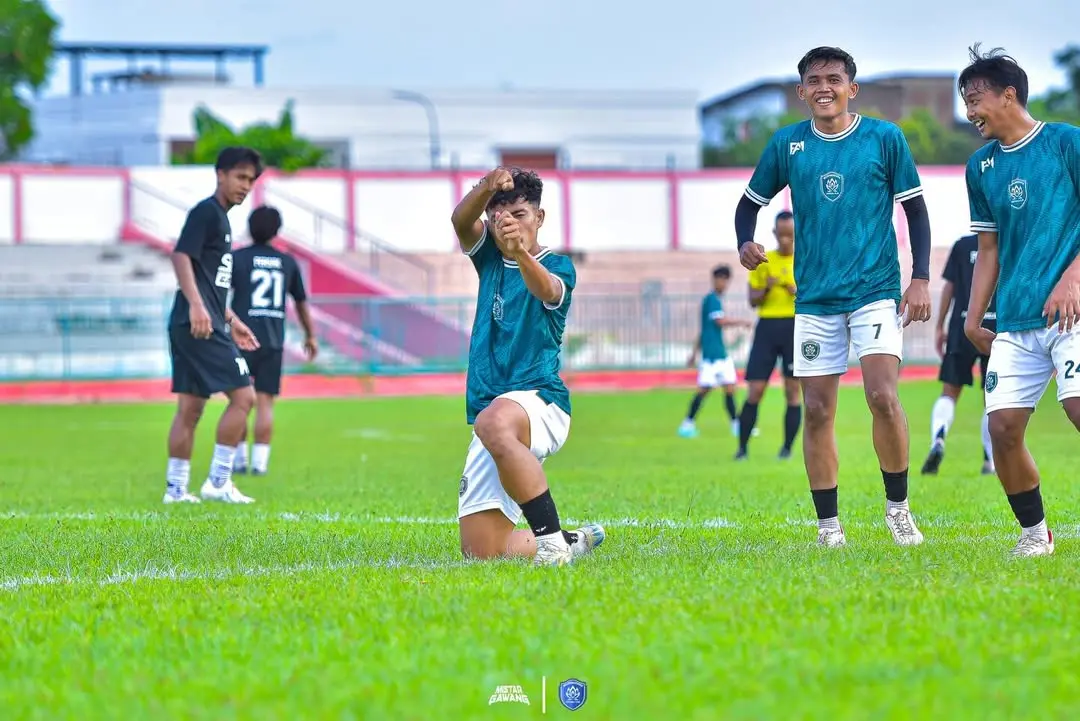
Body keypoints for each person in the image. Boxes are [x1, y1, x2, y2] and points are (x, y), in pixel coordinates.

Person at [734, 46, 933, 548]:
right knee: (818, 410)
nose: (824, 87)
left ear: (852, 87)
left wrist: (922, 277)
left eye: (834, 79)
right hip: (816, 300)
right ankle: (829, 526)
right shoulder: (788, 144)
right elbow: (748, 204)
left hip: (874, 289)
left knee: (882, 397)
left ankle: (899, 509)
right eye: (814, 80)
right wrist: (745, 241)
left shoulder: (884, 138)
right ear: (801, 91)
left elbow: (916, 211)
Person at [449, 166, 605, 566]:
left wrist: (520, 251)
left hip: (542, 400)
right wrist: (486, 187)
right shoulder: (488, 257)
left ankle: (551, 545)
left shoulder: (559, 265)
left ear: (539, 218)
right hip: (495, 406)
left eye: (519, 215)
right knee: (482, 551)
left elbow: (549, 289)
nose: (509, 224)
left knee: (493, 423)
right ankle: (571, 539)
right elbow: (459, 220)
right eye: (500, 217)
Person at [959, 44, 1080, 557]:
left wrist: (1073, 278)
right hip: (1015, 317)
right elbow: (988, 248)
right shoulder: (980, 166)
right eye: (964, 101)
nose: (970, 111)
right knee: (1003, 427)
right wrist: (972, 317)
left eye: (976, 98)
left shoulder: (1065, 142)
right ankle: (1035, 536)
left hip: (1073, 311)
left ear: (1010, 94)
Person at [164, 146, 264, 505]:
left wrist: (232, 320)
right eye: (240, 177)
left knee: (190, 409)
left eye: (251, 180)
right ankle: (219, 481)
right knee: (244, 397)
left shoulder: (222, 220)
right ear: (220, 174)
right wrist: (196, 306)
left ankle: (175, 491)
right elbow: (180, 256)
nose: (245, 186)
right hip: (197, 324)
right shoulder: (207, 212)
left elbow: (212, 284)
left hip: (195, 322)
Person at [229, 205, 319, 476]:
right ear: (277, 231)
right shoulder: (287, 262)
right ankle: (260, 463)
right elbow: (301, 302)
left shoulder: (238, 258)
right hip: (272, 340)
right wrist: (310, 335)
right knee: (265, 401)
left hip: (241, 337)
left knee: (239, 400)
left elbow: (221, 294)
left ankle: (239, 460)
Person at [921, 233, 997, 476]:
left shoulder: (963, 246)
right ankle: (989, 459)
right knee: (993, 398)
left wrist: (940, 326)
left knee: (950, 392)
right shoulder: (1005, 243)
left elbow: (949, 288)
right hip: (996, 328)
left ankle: (938, 439)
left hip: (962, 326)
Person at [735, 210, 802, 460]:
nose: (785, 240)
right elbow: (752, 300)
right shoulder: (764, 260)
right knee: (755, 390)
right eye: (781, 234)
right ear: (775, 233)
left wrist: (796, 290)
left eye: (790, 235)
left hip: (794, 326)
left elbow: (816, 294)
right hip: (767, 328)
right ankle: (742, 449)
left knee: (793, 391)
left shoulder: (804, 259)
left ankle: (786, 450)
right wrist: (767, 287)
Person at [677, 265, 753, 439]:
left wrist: (694, 353)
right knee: (705, 390)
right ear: (717, 280)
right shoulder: (712, 300)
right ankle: (687, 424)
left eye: (726, 281)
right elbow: (719, 321)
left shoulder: (712, 300)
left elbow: (703, 331)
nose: (724, 284)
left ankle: (736, 425)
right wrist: (742, 322)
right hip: (713, 356)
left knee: (729, 388)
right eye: (722, 280)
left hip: (718, 353)